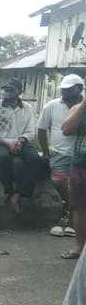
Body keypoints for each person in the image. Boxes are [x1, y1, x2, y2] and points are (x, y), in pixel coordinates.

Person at [40, 74, 83, 256]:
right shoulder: (53, 106)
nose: (65, 93)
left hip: (77, 153)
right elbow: (46, 130)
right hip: (64, 154)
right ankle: (68, 213)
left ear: (79, 89)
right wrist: (46, 151)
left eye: (69, 90)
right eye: (63, 90)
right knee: (61, 185)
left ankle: (67, 215)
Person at [0, 78, 42, 213]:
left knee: (35, 159)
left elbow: (30, 131)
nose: (7, 92)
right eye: (5, 90)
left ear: (19, 92)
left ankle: (19, 194)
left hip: (21, 141)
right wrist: (7, 143)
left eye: (11, 90)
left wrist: (20, 141)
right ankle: (8, 191)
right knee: (3, 158)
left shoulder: (27, 108)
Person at [62, 76, 86, 261]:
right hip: (80, 164)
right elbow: (66, 129)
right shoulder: (78, 108)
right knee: (78, 206)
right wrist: (84, 105)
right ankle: (79, 246)